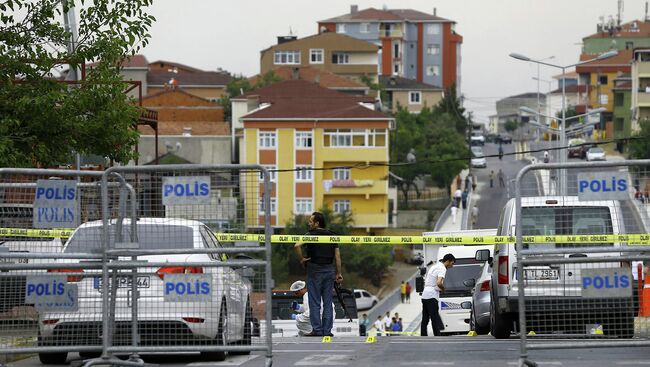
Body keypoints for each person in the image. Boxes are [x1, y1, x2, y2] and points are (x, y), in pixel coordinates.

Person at [294, 212, 343, 337]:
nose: (308, 223)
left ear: (317, 223)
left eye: (311, 221)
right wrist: (339, 273)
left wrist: (302, 259)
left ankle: (317, 330)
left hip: (314, 270)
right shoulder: (332, 235)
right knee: (327, 302)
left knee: (314, 302)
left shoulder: (309, 235)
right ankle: (327, 331)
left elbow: (296, 246)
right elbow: (337, 256)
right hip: (329, 270)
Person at [421, 253, 456, 336]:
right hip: (432, 295)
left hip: (425, 294)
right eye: (452, 263)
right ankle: (437, 336)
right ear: (447, 261)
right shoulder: (442, 268)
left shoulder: (434, 266)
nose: (452, 266)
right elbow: (439, 282)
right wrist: (443, 289)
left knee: (425, 319)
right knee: (435, 318)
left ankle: (423, 336)